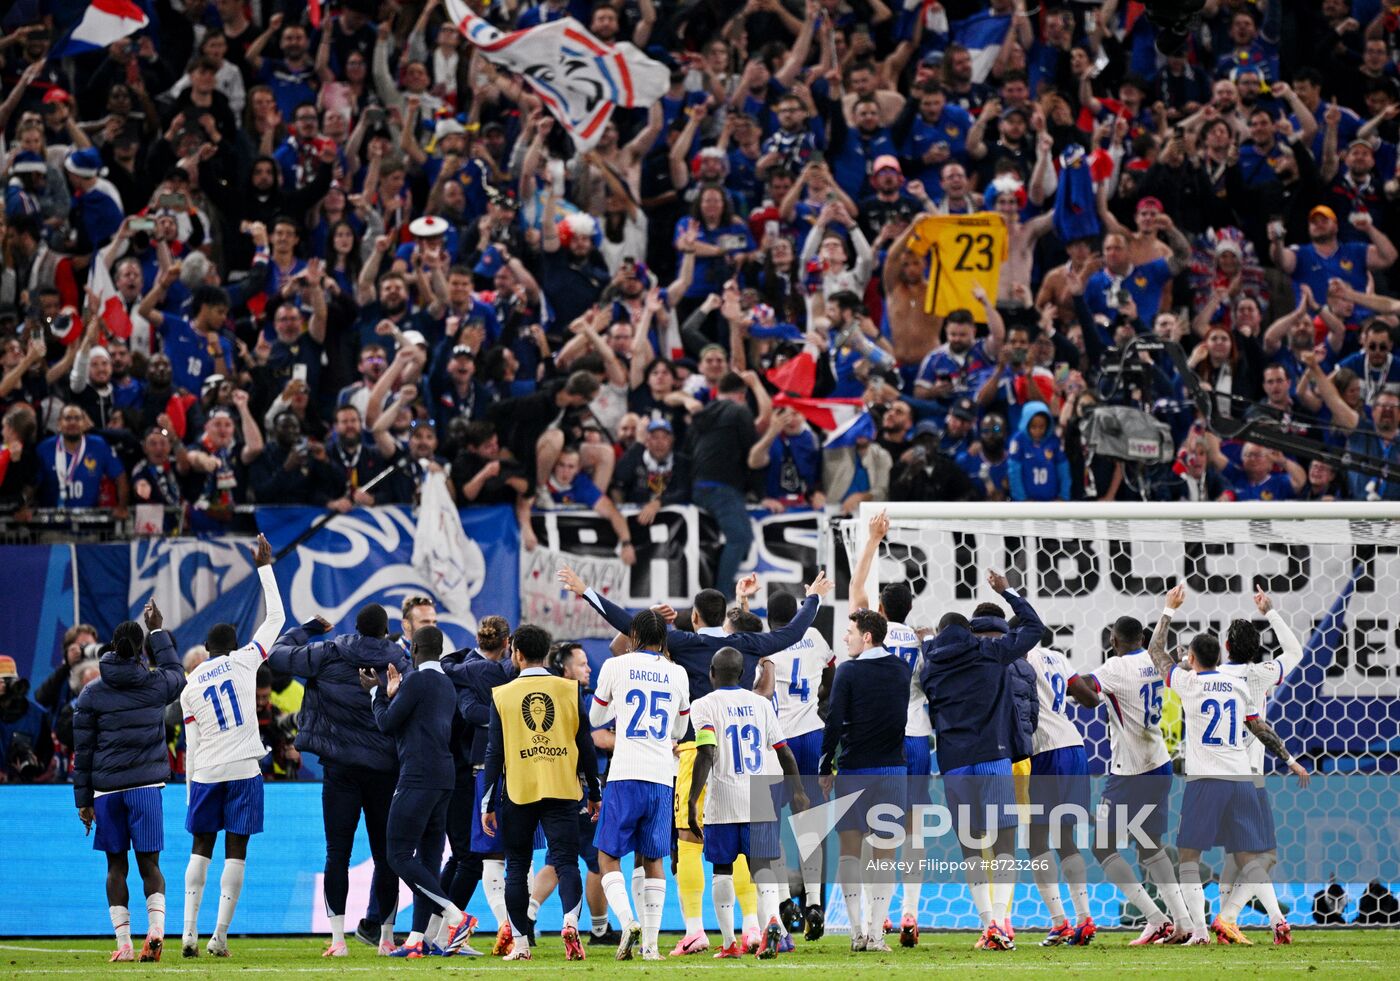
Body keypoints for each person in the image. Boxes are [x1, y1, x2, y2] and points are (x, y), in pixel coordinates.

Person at [1145, 584, 1310, 946]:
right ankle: (1249, 919)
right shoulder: (1247, 683)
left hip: (1206, 779)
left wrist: (1169, 609)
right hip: (1245, 779)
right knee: (1252, 855)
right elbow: (1259, 725)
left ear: (1195, 656)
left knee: (1189, 858)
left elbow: (1156, 652)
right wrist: (1290, 759)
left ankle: (1203, 930)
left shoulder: (1189, 683)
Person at [267, 604, 410, 957]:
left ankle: (338, 940)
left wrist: (309, 628)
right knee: (386, 855)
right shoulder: (400, 660)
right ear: (384, 630)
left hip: (340, 769)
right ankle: (388, 939)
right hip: (384, 771)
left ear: (357, 628)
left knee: (337, 854)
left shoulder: (330, 652)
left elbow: (275, 656)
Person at [919, 570, 1044, 951]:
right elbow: (1035, 628)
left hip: (954, 762)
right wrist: (1008, 593)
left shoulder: (930, 668)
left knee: (971, 843)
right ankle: (1004, 923)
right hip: (993, 755)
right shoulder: (989, 652)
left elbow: (930, 663)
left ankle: (988, 923)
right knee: (1006, 837)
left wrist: (927, 643)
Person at [178, 535, 285, 958]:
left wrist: (190, 791)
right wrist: (265, 567)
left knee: (200, 847)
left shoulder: (190, 687)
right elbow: (276, 616)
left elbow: (190, 744)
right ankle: (218, 936)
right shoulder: (245, 660)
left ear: (206, 651)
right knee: (235, 851)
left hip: (205, 771)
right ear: (234, 643)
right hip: (244, 769)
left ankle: (186, 932)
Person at [1063, 614, 1191, 945]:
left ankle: (1156, 918)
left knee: (1102, 846)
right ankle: (1182, 922)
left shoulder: (1115, 668)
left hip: (1131, 772)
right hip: (1159, 763)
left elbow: (1085, 692)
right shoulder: (1154, 660)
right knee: (1150, 846)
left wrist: (1061, 671)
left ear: (1113, 641)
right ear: (1142, 637)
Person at [480, 624, 601, 961]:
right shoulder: (568, 689)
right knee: (566, 863)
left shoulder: (501, 695)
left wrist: (487, 802)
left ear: (516, 654)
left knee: (516, 868)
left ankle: (520, 944)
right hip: (563, 788)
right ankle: (570, 924)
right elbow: (585, 744)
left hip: (519, 791)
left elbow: (494, 753)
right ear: (547, 654)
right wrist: (594, 789)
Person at [73, 600, 185, 962]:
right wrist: (157, 630)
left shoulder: (91, 693)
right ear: (141, 649)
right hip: (146, 789)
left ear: (108, 649)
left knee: (115, 867)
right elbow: (177, 673)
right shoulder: (154, 685)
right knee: (150, 866)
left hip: (107, 792)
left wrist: (83, 801)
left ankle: (123, 944)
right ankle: (155, 931)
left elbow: (83, 751)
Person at [687, 647, 808, 959]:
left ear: (711, 673)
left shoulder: (703, 705)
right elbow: (784, 751)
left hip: (723, 797)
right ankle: (771, 923)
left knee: (722, 870)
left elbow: (706, 752)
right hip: (758, 796)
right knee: (763, 868)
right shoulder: (760, 704)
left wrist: (691, 800)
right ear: (741, 675)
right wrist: (797, 791)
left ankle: (729, 943)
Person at [363, 625, 476, 958]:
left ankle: (454, 915)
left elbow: (386, 723)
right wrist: (396, 693)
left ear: (413, 649)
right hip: (444, 778)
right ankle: (416, 940)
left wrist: (377, 693)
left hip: (417, 776)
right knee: (427, 860)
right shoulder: (445, 684)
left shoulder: (418, 680)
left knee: (396, 855)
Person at [588, 610, 691, 961]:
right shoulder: (678, 673)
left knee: (608, 855)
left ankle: (628, 920)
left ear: (633, 636)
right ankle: (650, 946)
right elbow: (679, 730)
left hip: (625, 773)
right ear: (664, 639)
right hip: (662, 776)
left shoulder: (616, 667)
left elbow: (595, 718)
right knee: (653, 860)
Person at [846, 510, 928, 946]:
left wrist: (874, 540)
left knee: (863, 835)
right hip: (917, 739)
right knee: (908, 831)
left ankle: (865, 923)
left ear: (878, 612)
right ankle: (909, 911)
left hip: (878, 746)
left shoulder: (870, 633)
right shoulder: (919, 639)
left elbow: (855, 588)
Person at [1218, 585, 1307, 945]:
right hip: (1250, 776)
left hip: (1216, 773)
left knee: (1237, 856)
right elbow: (1296, 651)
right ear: (1257, 650)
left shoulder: (1215, 676)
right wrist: (1270, 610)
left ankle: (1229, 922)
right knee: (1258, 854)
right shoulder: (1264, 673)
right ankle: (1272, 920)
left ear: (1226, 647)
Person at [819, 608, 909, 953]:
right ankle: (877, 935)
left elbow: (834, 720)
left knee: (850, 852)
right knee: (885, 853)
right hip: (891, 770)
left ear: (867, 636)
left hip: (855, 771)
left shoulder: (849, 671)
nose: (846, 637)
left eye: (850, 631)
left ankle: (856, 932)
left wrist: (826, 766)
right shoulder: (902, 669)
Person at [750, 588, 833, 939]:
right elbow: (832, 674)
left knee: (768, 822)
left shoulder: (765, 643)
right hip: (812, 735)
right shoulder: (813, 637)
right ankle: (814, 900)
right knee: (809, 822)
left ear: (770, 618)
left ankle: (785, 899)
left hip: (776, 741)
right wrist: (819, 700)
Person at [1019, 619, 1093, 948]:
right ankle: (1084, 918)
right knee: (1065, 837)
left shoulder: (1019, 662)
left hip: (1045, 751)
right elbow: (1089, 698)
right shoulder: (1058, 658)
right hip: (1075, 746)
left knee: (1036, 838)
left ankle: (1059, 922)